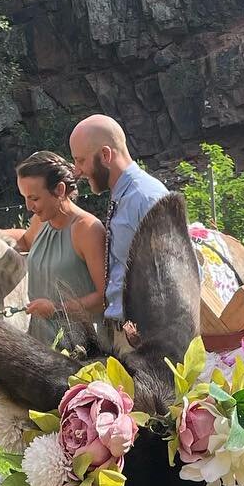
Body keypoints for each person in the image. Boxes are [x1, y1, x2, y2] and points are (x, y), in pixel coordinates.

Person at [68, 114, 168, 343]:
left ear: (105, 155)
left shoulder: (145, 198)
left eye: (81, 160)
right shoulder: (124, 196)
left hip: (145, 340)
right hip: (126, 336)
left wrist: (148, 337)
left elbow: (174, 275)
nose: (76, 171)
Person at [1, 150, 107, 350]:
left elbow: (105, 297)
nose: (29, 206)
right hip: (42, 344)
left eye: (34, 198)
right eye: (24, 197)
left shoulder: (87, 229)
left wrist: (57, 310)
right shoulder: (40, 222)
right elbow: (23, 240)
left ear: (59, 190)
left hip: (83, 347)